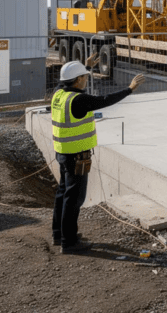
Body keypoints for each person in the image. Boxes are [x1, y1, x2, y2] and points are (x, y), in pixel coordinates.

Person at [51, 53, 146, 253]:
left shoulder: (59, 94)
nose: (86, 79)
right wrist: (129, 89)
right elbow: (104, 100)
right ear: (77, 80)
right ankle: (70, 243)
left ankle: (59, 235)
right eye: (84, 77)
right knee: (74, 199)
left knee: (62, 194)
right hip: (76, 155)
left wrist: (85, 67)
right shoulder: (78, 100)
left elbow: (71, 86)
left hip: (62, 152)